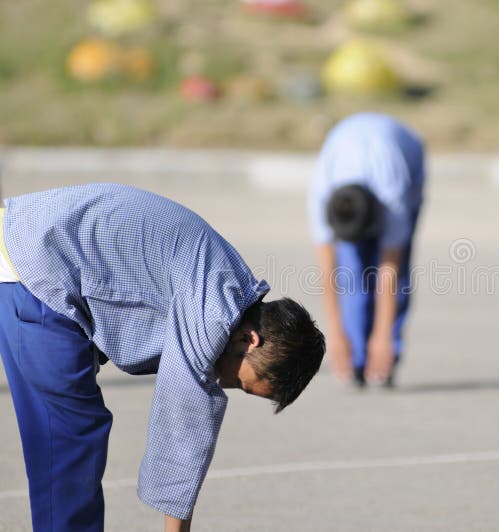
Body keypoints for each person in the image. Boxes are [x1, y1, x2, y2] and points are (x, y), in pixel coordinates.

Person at [0, 183, 325, 531]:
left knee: (73, 433)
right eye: (239, 382)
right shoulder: (213, 313)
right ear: (250, 339)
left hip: (36, 249)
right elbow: (185, 419)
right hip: (36, 267)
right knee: (70, 434)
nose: (224, 384)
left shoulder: (228, 288)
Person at [308, 113, 425, 388]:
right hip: (349, 138)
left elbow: (390, 269)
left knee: (397, 272)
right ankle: (357, 360)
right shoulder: (320, 195)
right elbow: (329, 274)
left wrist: (383, 336)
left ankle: (386, 359)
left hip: (407, 153)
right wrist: (334, 336)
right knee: (352, 273)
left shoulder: (393, 195)